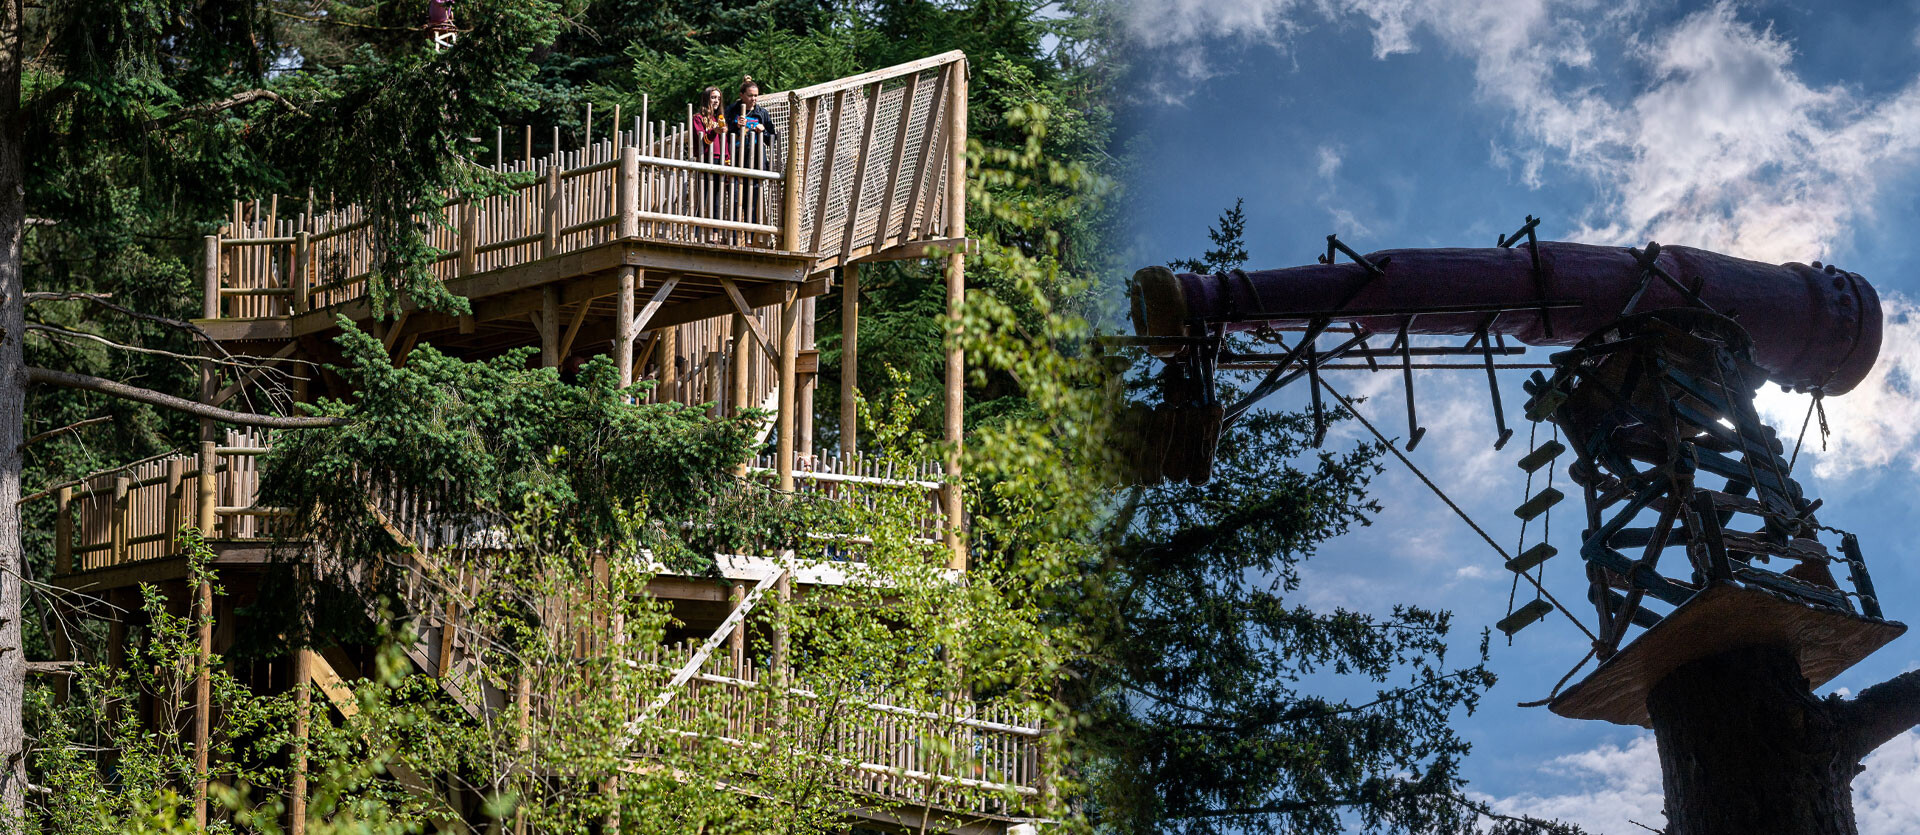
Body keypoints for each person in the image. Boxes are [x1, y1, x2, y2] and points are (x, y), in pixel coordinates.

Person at [727, 76, 779, 228]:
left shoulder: (762, 113)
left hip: (756, 163)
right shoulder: (732, 110)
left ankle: (750, 239)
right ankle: (735, 237)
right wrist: (735, 125)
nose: (753, 99)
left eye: (756, 95)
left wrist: (764, 132)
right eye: (750, 95)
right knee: (736, 202)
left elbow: (771, 139)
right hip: (736, 162)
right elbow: (723, 130)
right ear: (742, 95)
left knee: (753, 203)